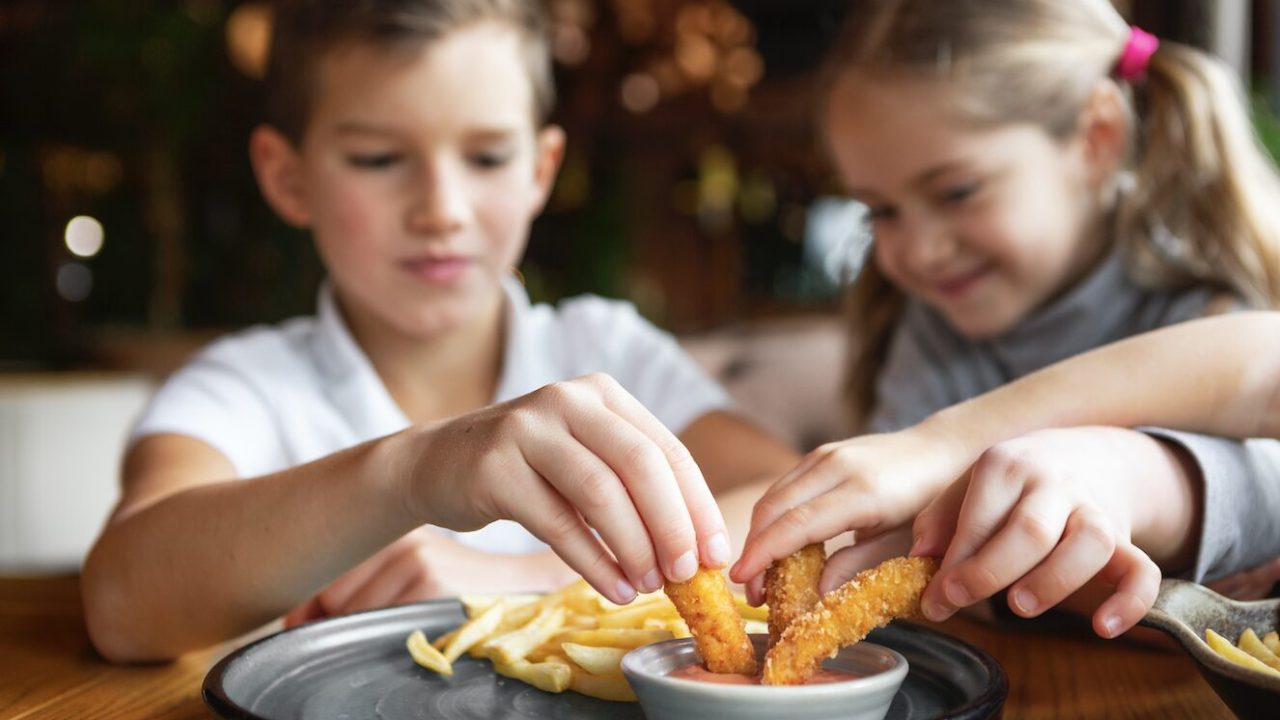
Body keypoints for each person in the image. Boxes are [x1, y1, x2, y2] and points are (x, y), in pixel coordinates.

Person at [82, 0, 796, 663]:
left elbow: (797, 507)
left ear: (541, 170)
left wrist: (528, 578)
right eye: (378, 159)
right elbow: (121, 602)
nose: (442, 208)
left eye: (486, 158)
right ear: (288, 177)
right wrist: (414, 473)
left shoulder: (604, 350)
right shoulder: (245, 386)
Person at [731, 0, 1280, 637]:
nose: (916, 250)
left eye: (957, 191)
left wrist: (940, 446)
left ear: (1097, 138)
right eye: (881, 210)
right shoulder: (931, 328)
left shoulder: (1199, 297)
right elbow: (910, 546)